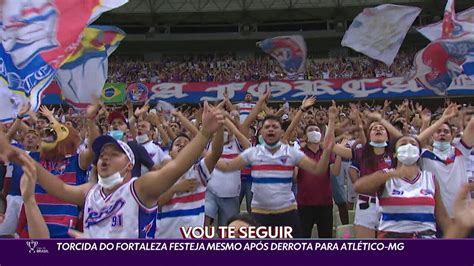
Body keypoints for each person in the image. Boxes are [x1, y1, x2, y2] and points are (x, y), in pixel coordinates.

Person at [0, 102, 224, 238]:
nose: (104, 157)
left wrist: (204, 133)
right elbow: (58, 187)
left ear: (129, 165)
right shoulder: (90, 191)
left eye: (113, 154)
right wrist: (19, 157)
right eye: (102, 155)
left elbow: (176, 166)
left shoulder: (139, 188)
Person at [215, 114, 334, 238]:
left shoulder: (292, 152)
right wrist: (202, 149)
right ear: (262, 132)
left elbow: (318, 169)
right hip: (259, 214)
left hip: (287, 212)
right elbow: (226, 166)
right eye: (267, 127)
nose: (270, 129)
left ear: (282, 132)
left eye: (274, 126)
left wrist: (326, 152)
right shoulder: (253, 152)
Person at [354, 135, 451, 238]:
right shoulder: (386, 176)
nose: (409, 146)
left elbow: (442, 217)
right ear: (395, 154)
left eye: (413, 144)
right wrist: (394, 174)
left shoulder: (430, 178)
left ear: (419, 153)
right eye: (403, 144)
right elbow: (359, 187)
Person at [156, 126, 223, 238]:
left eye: (187, 144)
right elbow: (156, 204)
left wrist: (220, 126)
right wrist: (175, 188)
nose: (182, 145)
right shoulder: (160, 177)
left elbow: (216, 153)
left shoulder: (199, 173)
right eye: (178, 144)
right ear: (170, 153)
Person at [205, 118, 250, 226]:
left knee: (227, 229)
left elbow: (248, 147)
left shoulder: (236, 144)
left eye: (226, 129)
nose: (224, 132)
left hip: (231, 195)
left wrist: (232, 127)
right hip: (211, 193)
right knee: (204, 223)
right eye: (222, 130)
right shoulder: (209, 144)